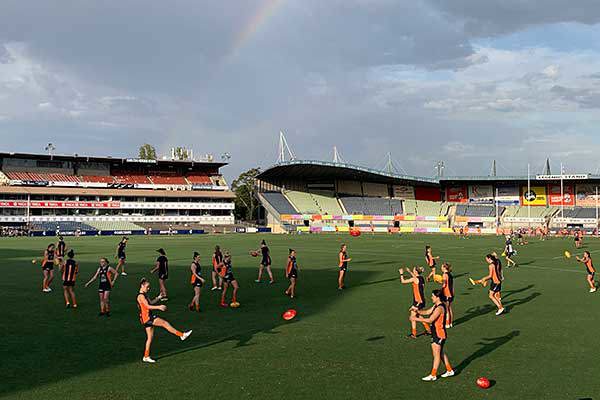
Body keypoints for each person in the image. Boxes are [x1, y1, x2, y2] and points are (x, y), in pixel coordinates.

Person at [137, 278, 192, 363]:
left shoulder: (144, 294)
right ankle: (181, 335)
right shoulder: (140, 296)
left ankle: (146, 356)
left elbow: (151, 302)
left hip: (146, 318)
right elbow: (148, 306)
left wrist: (158, 297)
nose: (148, 288)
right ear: (142, 286)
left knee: (150, 338)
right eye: (147, 287)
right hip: (148, 318)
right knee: (164, 323)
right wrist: (159, 307)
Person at [411, 289, 455, 381]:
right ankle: (449, 370)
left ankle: (433, 375)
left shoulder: (440, 308)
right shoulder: (436, 305)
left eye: (432, 296)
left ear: (437, 297)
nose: (431, 297)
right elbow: (427, 312)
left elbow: (430, 319)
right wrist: (417, 311)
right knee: (440, 353)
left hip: (439, 334)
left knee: (436, 355)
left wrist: (415, 318)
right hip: (436, 333)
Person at [399, 267, 431, 338]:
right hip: (421, 300)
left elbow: (403, 281)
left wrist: (401, 273)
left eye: (413, 269)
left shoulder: (414, 279)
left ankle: (414, 334)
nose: (413, 270)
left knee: (412, 317)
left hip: (418, 301)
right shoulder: (421, 278)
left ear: (416, 271)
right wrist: (409, 271)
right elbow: (415, 276)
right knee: (417, 315)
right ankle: (428, 330)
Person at [440, 263, 454, 328]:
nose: (441, 268)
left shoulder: (444, 274)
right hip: (451, 293)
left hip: (447, 293)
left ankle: (447, 323)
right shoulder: (450, 274)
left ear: (444, 268)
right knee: (449, 308)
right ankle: (450, 323)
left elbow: (444, 285)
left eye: (442, 267)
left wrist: (440, 290)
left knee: (446, 308)